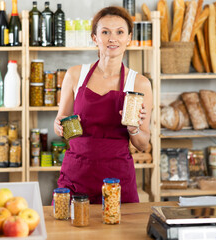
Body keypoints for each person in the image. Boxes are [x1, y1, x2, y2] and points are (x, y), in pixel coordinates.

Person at [54, 6, 152, 204]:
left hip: (117, 180)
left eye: (120, 32)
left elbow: (142, 144)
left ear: (129, 38)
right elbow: (61, 121)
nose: (112, 38)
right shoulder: (74, 75)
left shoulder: (140, 83)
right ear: (94, 38)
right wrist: (59, 125)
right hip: (76, 175)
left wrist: (133, 129)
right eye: (105, 32)